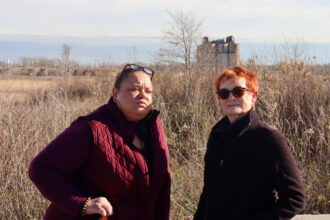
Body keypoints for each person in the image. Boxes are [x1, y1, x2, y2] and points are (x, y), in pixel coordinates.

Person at [29, 64, 171, 220]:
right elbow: (40, 168)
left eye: (148, 91)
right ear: (115, 94)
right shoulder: (92, 129)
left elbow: (161, 188)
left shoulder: (153, 128)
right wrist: (83, 204)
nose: (143, 95)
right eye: (134, 89)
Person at [192, 66, 306, 220]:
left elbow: (295, 199)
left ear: (253, 96)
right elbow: (209, 190)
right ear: (219, 99)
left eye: (238, 91)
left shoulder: (269, 139)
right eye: (224, 94)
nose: (231, 98)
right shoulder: (216, 134)